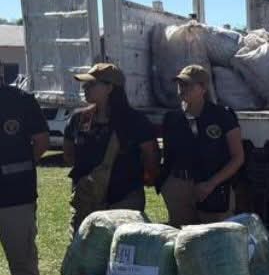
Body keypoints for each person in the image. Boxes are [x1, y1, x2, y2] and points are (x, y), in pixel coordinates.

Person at [64, 64, 159, 235]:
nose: (85, 87)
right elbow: (69, 154)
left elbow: (150, 158)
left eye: (91, 84)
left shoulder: (135, 122)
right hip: (87, 200)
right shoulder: (78, 119)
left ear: (110, 88)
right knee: (83, 253)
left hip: (124, 201)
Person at [160, 65, 245, 227]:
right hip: (180, 187)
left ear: (203, 88)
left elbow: (238, 157)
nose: (182, 89)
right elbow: (168, 155)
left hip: (213, 186)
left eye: (188, 84)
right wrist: (167, 185)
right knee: (182, 239)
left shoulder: (222, 115)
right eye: (180, 84)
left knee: (215, 239)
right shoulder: (172, 118)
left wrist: (212, 183)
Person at [0, 83, 50, 275]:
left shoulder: (20, 100)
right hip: (15, 193)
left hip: (15, 195)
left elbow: (41, 141)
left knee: (22, 255)